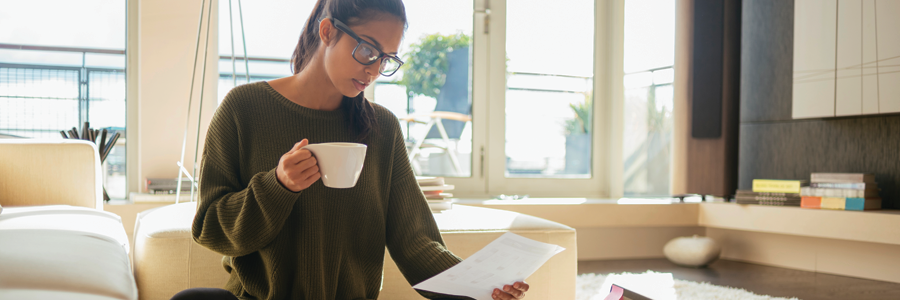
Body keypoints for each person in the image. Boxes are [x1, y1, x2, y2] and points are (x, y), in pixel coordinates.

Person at [174, 0, 530, 299]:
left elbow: (415, 243)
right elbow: (209, 228)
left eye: (386, 58)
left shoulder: (383, 129)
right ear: (327, 31)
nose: (374, 69)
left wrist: (481, 288)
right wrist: (277, 186)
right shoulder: (244, 108)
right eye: (368, 49)